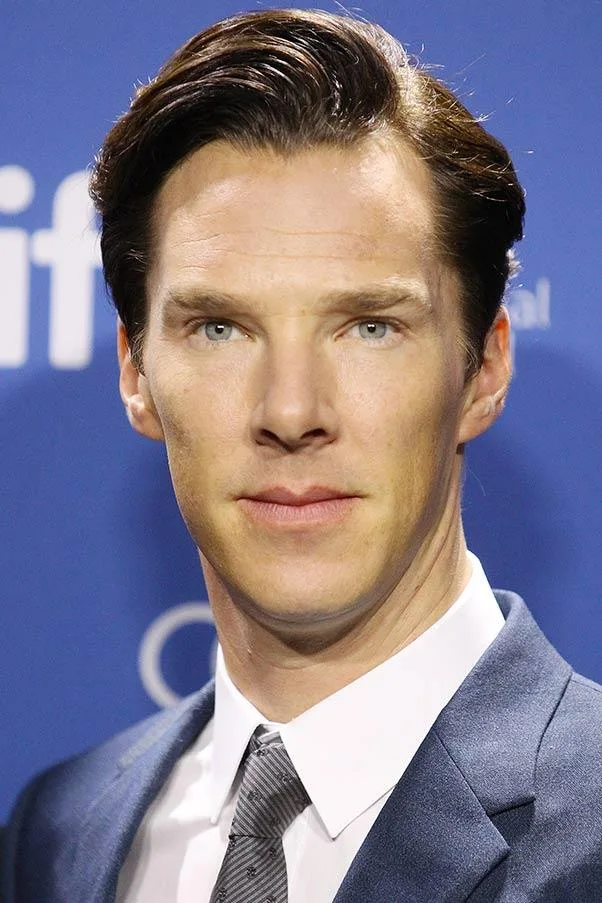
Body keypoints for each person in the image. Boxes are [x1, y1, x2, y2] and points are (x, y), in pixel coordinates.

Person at [3, 8, 602, 902]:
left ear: (482, 369)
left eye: (369, 326)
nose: (291, 411)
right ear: (135, 372)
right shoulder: (56, 833)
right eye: (219, 327)